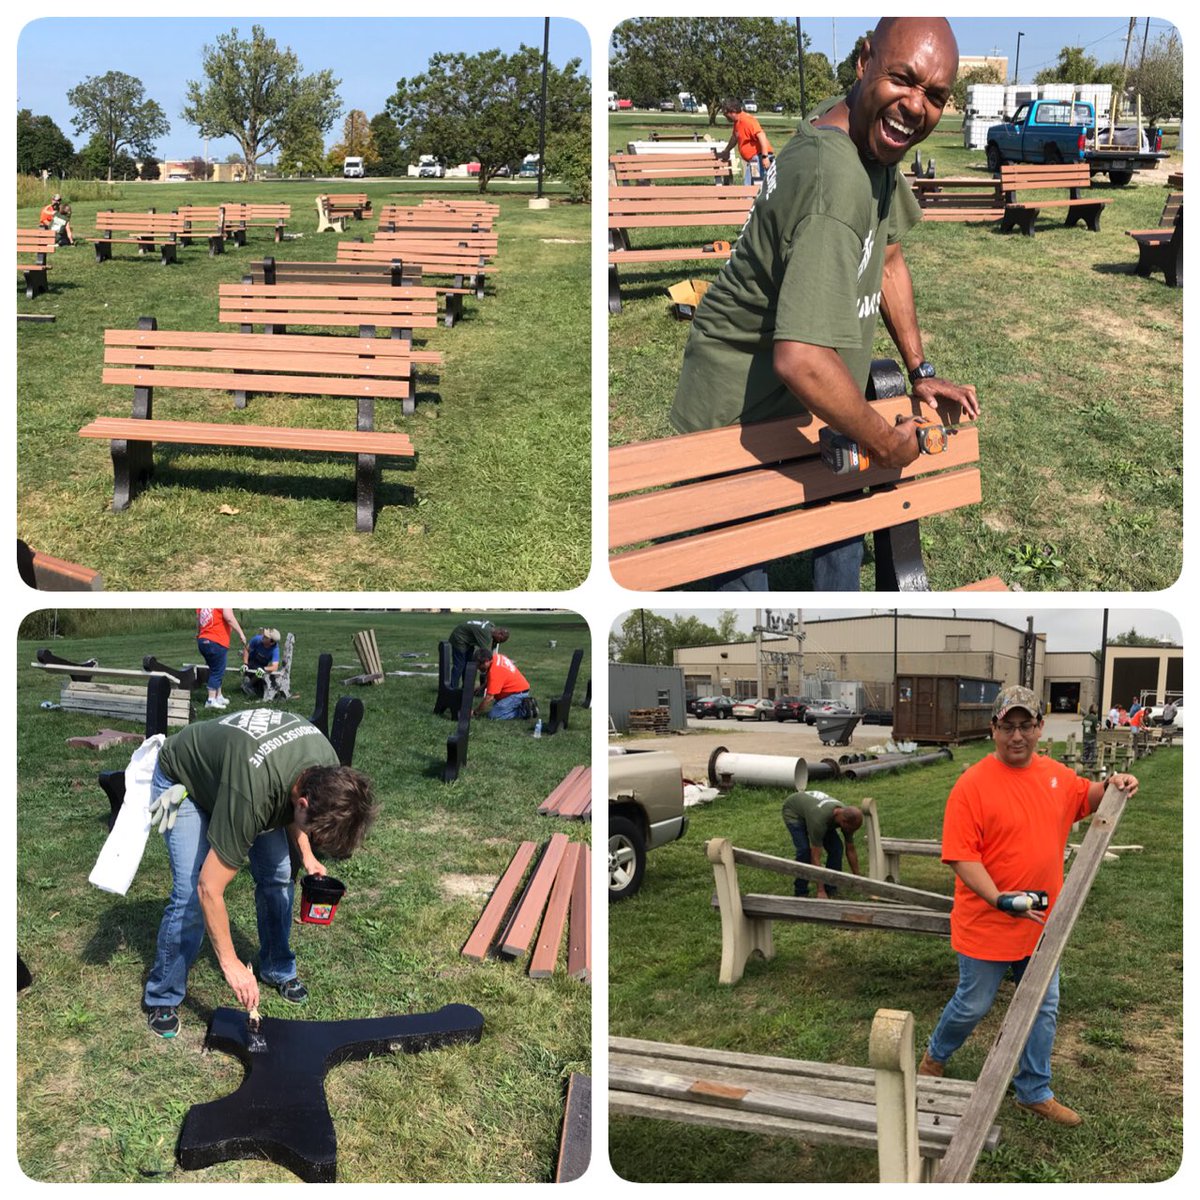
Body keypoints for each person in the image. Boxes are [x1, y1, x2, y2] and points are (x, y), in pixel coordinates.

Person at [670, 17, 979, 590]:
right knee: (741, 600)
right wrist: (886, 441)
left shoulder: (864, 133)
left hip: (817, 404)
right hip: (738, 419)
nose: (915, 107)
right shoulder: (833, 179)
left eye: (934, 96)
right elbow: (802, 359)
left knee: (838, 537)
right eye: (903, 79)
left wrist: (920, 369)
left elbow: (887, 258)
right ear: (864, 62)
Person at [918, 686, 1138, 1125]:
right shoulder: (972, 786)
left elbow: (1087, 797)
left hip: (1040, 924)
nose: (1016, 736)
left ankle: (1033, 1089)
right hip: (988, 919)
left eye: (1026, 726)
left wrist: (1116, 784)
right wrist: (1000, 898)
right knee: (973, 1004)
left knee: (1043, 1004)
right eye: (1007, 726)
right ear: (994, 728)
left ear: (1039, 727)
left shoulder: (1054, 776)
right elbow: (962, 856)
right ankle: (934, 1057)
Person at [142, 709, 378, 1038]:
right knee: (190, 895)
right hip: (187, 780)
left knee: (279, 874)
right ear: (305, 804)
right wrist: (231, 964)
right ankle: (163, 994)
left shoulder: (327, 764)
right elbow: (209, 889)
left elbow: (295, 810)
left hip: (239, 776)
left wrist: (307, 855)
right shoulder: (253, 792)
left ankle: (277, 967)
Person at [781, 791, 862, 897]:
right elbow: (815, 857)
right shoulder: (819, 821)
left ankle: (831, 886)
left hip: (814, 812)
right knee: (805, 851)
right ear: (843, 822)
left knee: (836, 849)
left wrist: (859, 881)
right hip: (794, 812)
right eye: (850, 830)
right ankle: (801, 891)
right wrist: (820, 890)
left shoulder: (847, 817)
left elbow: (850, 849)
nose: (851, 832)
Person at [196, 607, 247, 709]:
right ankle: (211, 700)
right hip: (217, 640)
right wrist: (241, 633)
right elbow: (229, 618)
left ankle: (218, 696)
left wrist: (199, 634)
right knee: (217, 671)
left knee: (215, 668)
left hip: (203, 640)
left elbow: (199, 621)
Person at [718, 98, 774, 185]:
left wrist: (765, 157)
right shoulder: (737, 122)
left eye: (726, 114)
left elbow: (762, 136)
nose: (725, 116)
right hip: (755, 160)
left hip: (758, 159)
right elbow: (735, 137)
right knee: (754, 187)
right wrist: (727, 150)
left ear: (733, 111)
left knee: (751, 188)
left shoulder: (747, 120)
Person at [472, 649, 535, 720]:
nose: (478, 668)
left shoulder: (495, 673)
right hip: (518, 689)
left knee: (494, 715)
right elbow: (494, 679)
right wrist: (482, 687)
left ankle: (524, 711)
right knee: (497, 707)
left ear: (486, 661)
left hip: (517, 694)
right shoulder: (497, 657)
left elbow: (489, 698)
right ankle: (521, 704)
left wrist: (475, 712)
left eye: (479, 665)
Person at [449, 618, 510, 688]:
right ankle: (453, 688)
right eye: (500, 640)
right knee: (459, 665)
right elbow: (485, 654)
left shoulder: (491, 625)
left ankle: (466, 688)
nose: (498, 642)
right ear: (499, 634)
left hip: (468, 639)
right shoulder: (486, 635)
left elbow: (482, 620)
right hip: (459, 638)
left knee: (469, 664)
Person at [241, 627, 281, 699]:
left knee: (260, 681)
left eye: (266, 637)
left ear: (271, 642)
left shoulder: (275, 649)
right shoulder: (257, 639)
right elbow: (246, 650)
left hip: (261, 665)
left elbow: (275, 667)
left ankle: (249, 684)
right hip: (251, 661)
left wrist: (263, 669)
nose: (263, 636)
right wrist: (245, 664)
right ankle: (248, 683)